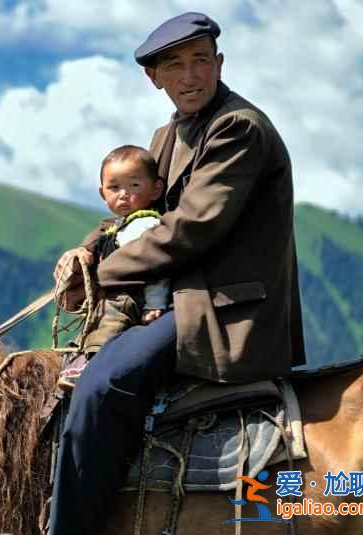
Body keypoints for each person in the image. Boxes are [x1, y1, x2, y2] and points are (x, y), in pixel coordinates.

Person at [48, 12, 306, 535]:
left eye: (200, 61)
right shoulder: (166, 136)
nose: (190, 76)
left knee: (102, 385)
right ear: (154, 77)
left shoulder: (238, 127)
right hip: (181, 302)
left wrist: (101, 277)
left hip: (225, 313)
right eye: (175, 65)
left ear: (219, 64)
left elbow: (191, 229)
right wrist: (86, 252)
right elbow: (139, 216)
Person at [55, 145, 169, 389]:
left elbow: (156, 266)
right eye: (114, 188)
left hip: (128, 296)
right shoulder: (116, 226)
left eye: (134, 186)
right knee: (96, 319)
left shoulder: (146, 224)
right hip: (110, 294)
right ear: (102, 192)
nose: (124, 194)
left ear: (156, 189)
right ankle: (84, 354)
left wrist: (155, 303)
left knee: (110, 321)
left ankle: (92, 364)